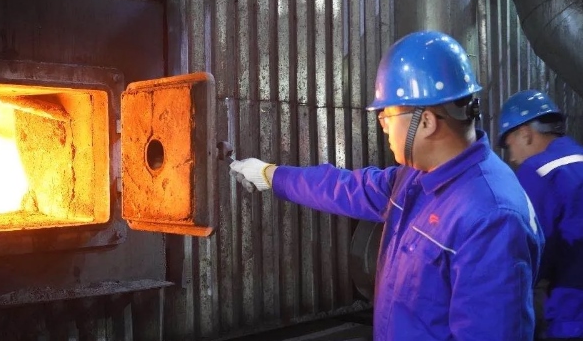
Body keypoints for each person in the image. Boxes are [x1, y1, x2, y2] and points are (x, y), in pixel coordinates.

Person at [230, 30, 545, 341]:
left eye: (387, 115)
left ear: (426, 121)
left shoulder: (491, 218)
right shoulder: (416, 176)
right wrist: (271, 174)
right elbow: (345, 187)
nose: (383, 125)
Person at [499, 90, 583, 340]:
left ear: (525, 134)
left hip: (571, 315)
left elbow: (527, 252)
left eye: (509, 145)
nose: (512, 157)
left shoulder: (537, 171)